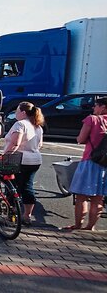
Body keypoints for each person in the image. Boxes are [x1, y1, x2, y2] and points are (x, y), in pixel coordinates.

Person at [63, 96, 107, 231]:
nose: (93, 107)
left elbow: (81, 139)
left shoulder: (92, 119)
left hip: (91, 161)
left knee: (82, 196)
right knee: (98, 198)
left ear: (103, 107)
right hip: (105, 164)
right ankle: (90, 227)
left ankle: (78, 225)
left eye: (95, 105)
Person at [3, 102, 44, 225]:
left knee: (12, 186)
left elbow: (15, 143)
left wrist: (5, 155)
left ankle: (12, 213)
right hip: (35, 160)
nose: (15, 113)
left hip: (19, 159)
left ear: (23, 112)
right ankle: (27, 215)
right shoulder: (37, 126)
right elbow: (40, 145)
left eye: (17, 110)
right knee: (27, 186)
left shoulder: (20, 124)